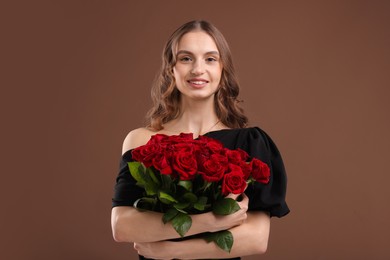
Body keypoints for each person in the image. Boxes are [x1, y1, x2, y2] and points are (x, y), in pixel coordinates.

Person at [111, 20, 289, 260]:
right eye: (186, 58)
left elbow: (256, 239)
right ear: (170, 69)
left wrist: (173, 250)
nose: (197, 69)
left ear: (222, 69)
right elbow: (122, 226)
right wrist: (208, 222)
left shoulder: (250, 144)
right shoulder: (141, 140)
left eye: (210, 59)